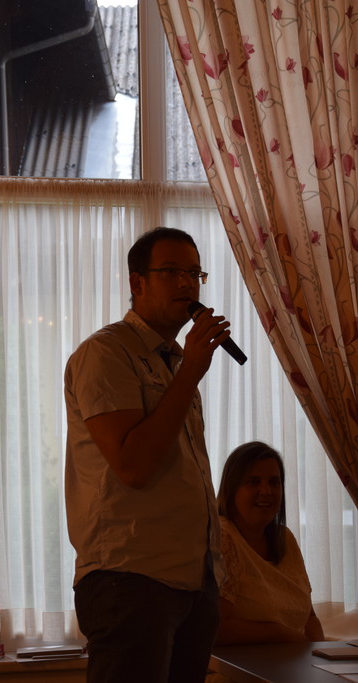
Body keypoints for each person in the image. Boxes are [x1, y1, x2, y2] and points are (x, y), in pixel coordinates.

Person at [64, 227, 234, 683]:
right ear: (137, 282)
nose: (186, 284)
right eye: (171, 272)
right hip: (130, 577)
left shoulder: (174, 360)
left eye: (194, 274)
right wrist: (191, 373)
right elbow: (133, 465)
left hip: (194, 578)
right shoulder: (106, 352)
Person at [215, 441, 325, 644]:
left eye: (274, 483)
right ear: (232, 489)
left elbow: (310, 618)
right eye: (253, 482)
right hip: (240, 664)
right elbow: (215, 627)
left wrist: (321, 655)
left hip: (296, 660)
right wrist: (278, 633)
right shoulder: (222, 538)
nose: (266, 491)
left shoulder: (285, 538)